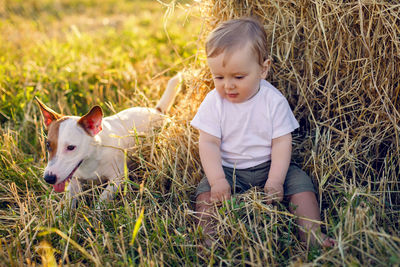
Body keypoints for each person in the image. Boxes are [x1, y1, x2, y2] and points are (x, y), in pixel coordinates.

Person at [191, 17, 335, 248]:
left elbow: (281, 142)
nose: (228, 85)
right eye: (218, 77)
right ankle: (208, 241)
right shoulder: (213, 103)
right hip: (229, 170)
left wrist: (276, 179)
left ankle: (312, 235)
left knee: (301, 185)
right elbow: (208, 143)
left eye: (238, 77)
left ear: (263, 69)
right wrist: (217, 179)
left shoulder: (273, 101)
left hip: (270, 166)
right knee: (205, 195)